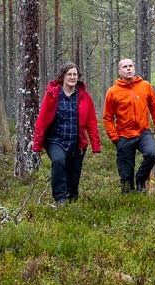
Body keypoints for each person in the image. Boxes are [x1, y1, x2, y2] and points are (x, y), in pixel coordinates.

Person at [32, 62, 102, 204]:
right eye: (69, 74)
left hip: (77, 142)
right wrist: (37, 144)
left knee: (73, 175)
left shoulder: (84, 97)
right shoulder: (52, 95)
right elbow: (42, 119)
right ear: (62, 77)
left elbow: (91, 122)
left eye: (75, 74)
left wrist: (96, 144)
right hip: (55, 140)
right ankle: (60, 198)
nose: (72, 77)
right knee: (58, 161)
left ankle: (72, 199)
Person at [104, 58, 155, 194]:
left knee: (151, 153)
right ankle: (128, 194)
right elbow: (107, 118)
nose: (129, 69)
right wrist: (115, 138)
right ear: (120, 71)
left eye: (131, 66)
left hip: (144, 132)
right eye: (125, 67)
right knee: (126, 174)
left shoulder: (145, 86)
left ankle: (141, 179)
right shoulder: (113, 92)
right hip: (124, 135)